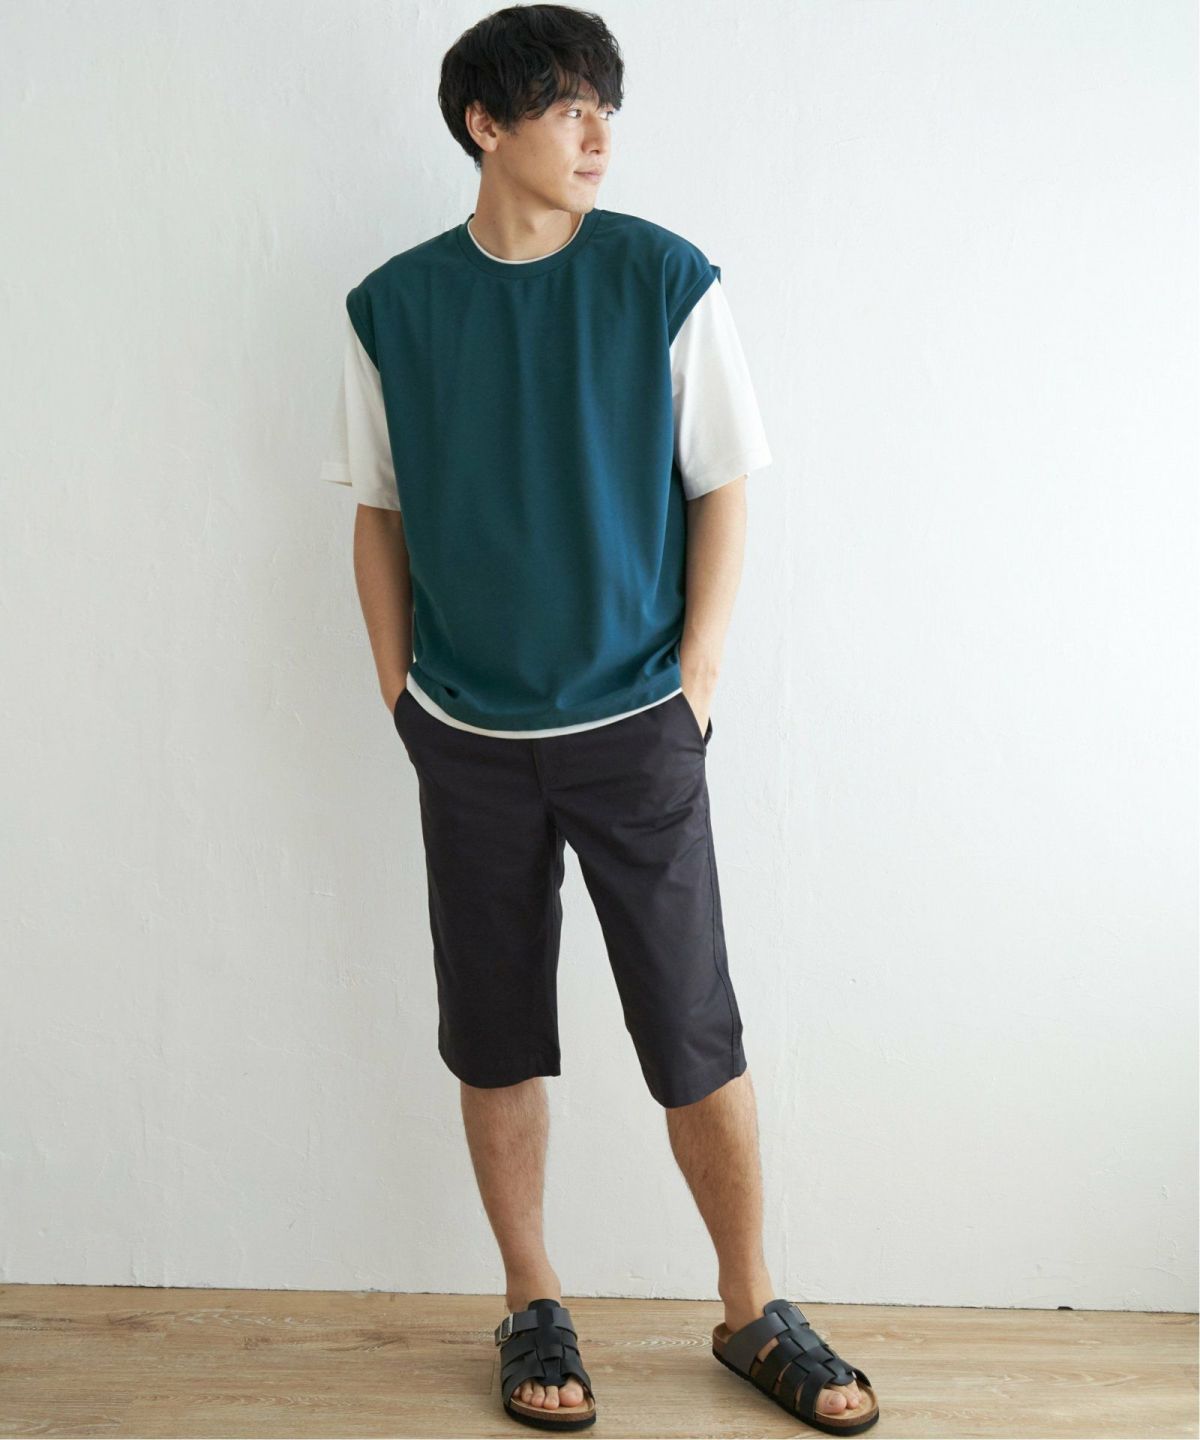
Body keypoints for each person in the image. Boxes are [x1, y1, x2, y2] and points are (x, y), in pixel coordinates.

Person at [320, 5, 880, 1434]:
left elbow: (723, 484)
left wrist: (697, 684)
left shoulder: (665, 278)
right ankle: (532, 1302)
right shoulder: (391, 308)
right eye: (570, 106)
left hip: (638, 725)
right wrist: (399, 690)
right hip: (466, 736)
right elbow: (378, 513)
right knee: (494, 1032)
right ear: (484, 123)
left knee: (694, 1026)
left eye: (606, 110)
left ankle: (750, 1307)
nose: (599, 136)